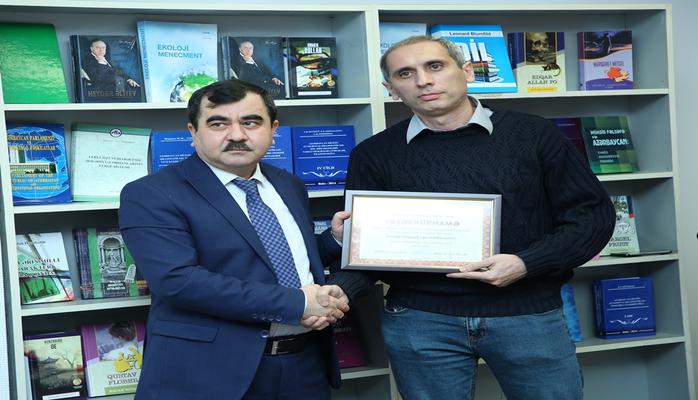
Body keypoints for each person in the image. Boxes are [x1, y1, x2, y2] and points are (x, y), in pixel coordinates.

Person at [328, 35, 616, 400]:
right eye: (405, 73)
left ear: (466, 72)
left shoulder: (534, 135)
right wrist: (340, 289)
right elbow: (368, 252)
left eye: (435, 66)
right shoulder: (373, 155)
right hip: (420, 321)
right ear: (391, 89)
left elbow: (592, 217)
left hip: (527, 314)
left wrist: (526, 263)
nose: (423, 81)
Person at [119, 79, 350, 399]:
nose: (237, 135)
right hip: (210, 372)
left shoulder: (288, 184)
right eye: (218, 123)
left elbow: (278, 260)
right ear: (192, 132)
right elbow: (178, 281)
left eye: (251, 122)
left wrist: (333, 242)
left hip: (304, 363)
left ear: (273, 129)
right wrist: (297, 303)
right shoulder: (151, 194)